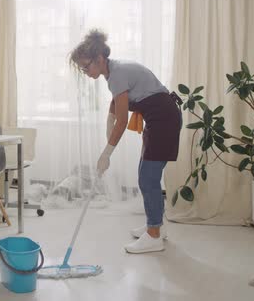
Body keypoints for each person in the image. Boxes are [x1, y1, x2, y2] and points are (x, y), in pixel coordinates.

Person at [69, 29, 182, 254]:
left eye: (85, 66)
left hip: (163, 119)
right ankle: (157, 226)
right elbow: (116, 107)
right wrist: (108, 122)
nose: (84, 71)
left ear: (99, 59)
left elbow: (123, 121)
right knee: (146, 173)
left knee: (148, 177)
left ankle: (153, 236)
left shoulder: (117, 73)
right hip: (158, 119)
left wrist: (107, 153)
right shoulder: (114, 71)